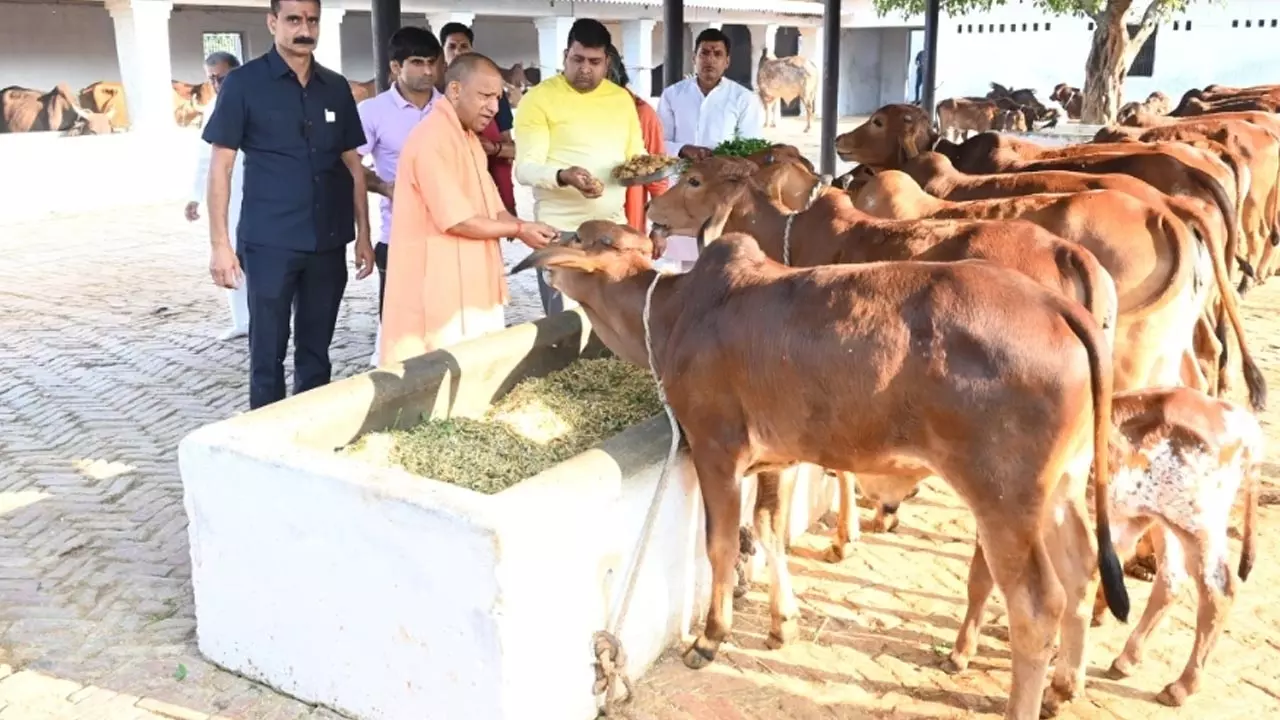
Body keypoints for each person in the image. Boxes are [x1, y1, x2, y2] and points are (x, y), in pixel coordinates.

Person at [202, 0, 375, 410]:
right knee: (267, 354)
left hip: (328, 241)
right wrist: (220, 245)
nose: (304, 29)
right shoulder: (243, 84)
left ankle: (308, 436)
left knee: (317, 353)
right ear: (272, 22)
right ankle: (265, 442)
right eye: (293, 19)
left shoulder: (335, 87)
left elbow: (353, 166)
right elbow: (220, 168)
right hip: (269, 242)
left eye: (311, 20)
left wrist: (364, 236)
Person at [379, 53, 558, 365]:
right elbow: (459, 221)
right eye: (485, 96)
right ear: (456, 90)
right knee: (430, 389)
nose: (493, 107)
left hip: (472, 290)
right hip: (436, 294)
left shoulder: (470, 140)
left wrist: (530, 229)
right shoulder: (431, 139)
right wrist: (518, 229)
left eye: (497, 98)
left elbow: (496, 212)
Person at [513, 18, 646, 315]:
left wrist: (645, 170)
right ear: (565, 56)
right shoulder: (538, 99)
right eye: (578, 59)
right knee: (566, 327)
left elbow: (636, 156)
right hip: (560, 232)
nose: (585, 68)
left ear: (607, 61)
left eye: (594, 61)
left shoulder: (620, 99)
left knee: (615, 324)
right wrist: (563, 176)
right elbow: (525, 168)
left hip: (613, 231)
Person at [357, 26, 442, 321]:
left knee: (445, 324)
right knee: (398, 328)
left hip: (449, 234)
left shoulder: (451, 108)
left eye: (432, 62)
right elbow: (349, 166)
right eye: (418, 62)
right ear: (396, 67)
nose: (428, 71)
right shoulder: (372, 111)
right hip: (398, 235)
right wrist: (384, 187)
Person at [186, 51, 248, 342]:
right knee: (230, 254)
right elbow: (204, 158)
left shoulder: (254, 98)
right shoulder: (212, 107)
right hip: (227, 196)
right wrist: (195, 196)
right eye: (211, 78)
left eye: (221, 77)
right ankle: (242, 320)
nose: (216, 83)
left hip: (259, 191)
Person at [439, 22, 517, 215]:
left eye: (463, 46)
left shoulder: (494, 93)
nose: (458, 51)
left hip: (486, 191)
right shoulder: (435, 94)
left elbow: (511, 149)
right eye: (452, 46)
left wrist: (493, 148)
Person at [657, 27, 762, 162]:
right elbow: (660, 143)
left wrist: (720, 159)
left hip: (722, 179)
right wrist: (683, 149)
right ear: (694, 58)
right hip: (679, 178)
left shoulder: (743, 98)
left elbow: (750, 148)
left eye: (718, 54)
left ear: (727, 62)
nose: (710, 60)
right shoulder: (672, 95)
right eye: (704, 53)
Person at [605, 43, 668, 235]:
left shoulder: (641, 113)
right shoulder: (571, 111)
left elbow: (657, 175)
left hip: (625, 227)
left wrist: (659, 229)